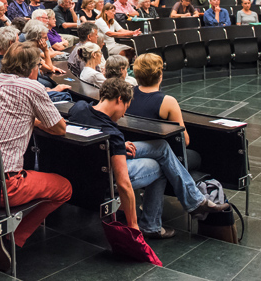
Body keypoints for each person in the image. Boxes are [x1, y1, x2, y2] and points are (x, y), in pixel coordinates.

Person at [68, 79, 228, 240]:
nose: (124, 114)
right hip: (104, 176)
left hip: (85, 167)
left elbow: (92, 136)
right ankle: (151, 225)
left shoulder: (79, 107)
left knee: (162, 147)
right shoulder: (113, 134)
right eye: (126, 107)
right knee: (163, 165)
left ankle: (194, 201)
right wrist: (133, 226)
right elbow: (123, 183)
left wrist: (118, 145)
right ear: (118, 99)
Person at [0, 42, 72, 269]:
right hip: (5, 185)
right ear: (31, 67)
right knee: (64, 187)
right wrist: (35, 122)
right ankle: (9, 238)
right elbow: (59, 128)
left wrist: (29, 120)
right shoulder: (32, 87)